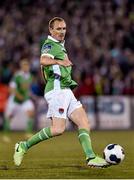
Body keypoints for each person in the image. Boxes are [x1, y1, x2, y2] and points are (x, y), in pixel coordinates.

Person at [14, 17, 109, 168]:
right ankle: (23, 146)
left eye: (64, 28)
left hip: (65, 90)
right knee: (58, 129)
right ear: (51, 30)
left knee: (84, 122)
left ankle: (90, 157)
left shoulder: (60, 45)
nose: (62, 31)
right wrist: (59, 62)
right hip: (57, 90)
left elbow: (45, 67)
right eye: (58, 28)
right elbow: (43, 60)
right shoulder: (50, 44)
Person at [4, 59, 35, 141]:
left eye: (27, 65)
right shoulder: (17, 76)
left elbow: (27, 88)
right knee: (9, 116)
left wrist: (28, 94)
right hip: (15, 100)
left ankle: (28, 133)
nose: (26, 67)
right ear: (21, 67)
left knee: (31, 113)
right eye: (24, 65)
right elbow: (11, 88)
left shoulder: (30, 76)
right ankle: (6, 134)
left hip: (25, 100)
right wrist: (18, 95)